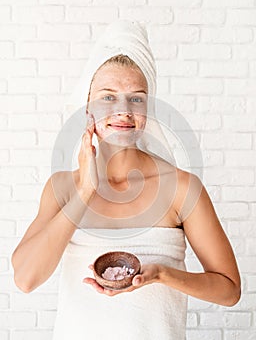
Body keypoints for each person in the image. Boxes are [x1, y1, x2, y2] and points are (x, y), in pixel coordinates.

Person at [12, 20, 241, 340]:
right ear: (86, 105)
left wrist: (162, 274)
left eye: (137, 98)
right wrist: (87, 189)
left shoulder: (182, 189)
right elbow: (25, 279)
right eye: (107, 97)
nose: (123, 111)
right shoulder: (62, 188)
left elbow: (229, 290)